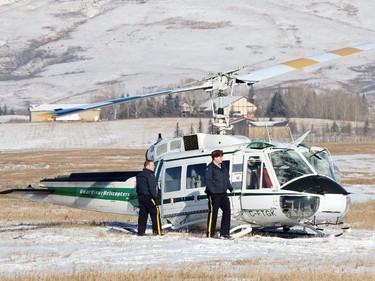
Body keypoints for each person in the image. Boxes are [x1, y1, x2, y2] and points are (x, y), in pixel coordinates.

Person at [205, 150, 233, 239]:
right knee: (213, 213)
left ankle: (225, 233)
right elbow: (208, 181)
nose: (222, 158)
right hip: (214, 195)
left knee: (227, 211)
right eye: (220, 157)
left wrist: (230, 187)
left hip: (223, 194)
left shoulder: (223, 167)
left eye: (222, 156)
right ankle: (210, 234)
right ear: (215, 158)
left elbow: (226, 178)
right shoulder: (210, 168)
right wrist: (213, 192)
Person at [136, 160, 162, 236]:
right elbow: (152, 188)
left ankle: (140, 232)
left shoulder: (139, 175)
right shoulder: (150, 175)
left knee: (143, 215)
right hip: (148, 197)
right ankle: (157, 232)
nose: (154, 167)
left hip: (141, 197)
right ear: (147, 166)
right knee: (155, 213)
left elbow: (137, 188)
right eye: (152, 165)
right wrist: (155, 197)